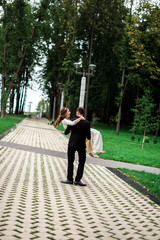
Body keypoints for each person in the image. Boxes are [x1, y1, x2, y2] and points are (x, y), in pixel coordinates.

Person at [61, 107, 91, 186]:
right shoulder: (87, 123)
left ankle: (69, 179)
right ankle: (78, 180)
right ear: (83, 113)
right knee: (82, 161)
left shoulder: (72, 121)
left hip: (71, 144)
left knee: (70, 161)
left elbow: (66, 132)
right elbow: (89, 137)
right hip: (81, 145)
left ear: (77, 113)